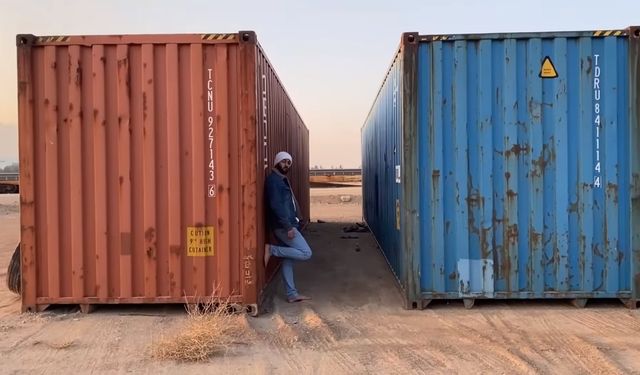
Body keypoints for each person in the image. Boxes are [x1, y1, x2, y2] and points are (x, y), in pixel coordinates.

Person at [264, 151, 312, 303]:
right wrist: (288, 227)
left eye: (288, 163)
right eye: (284, 161)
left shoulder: (282, 180)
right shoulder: (274, 181)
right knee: (306, 253)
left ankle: (291, 294)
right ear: (277, 161)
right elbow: (276, 205)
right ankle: (272, 250)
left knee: (288, 261)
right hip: (284, 226)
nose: (286, 165)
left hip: (289, 224)